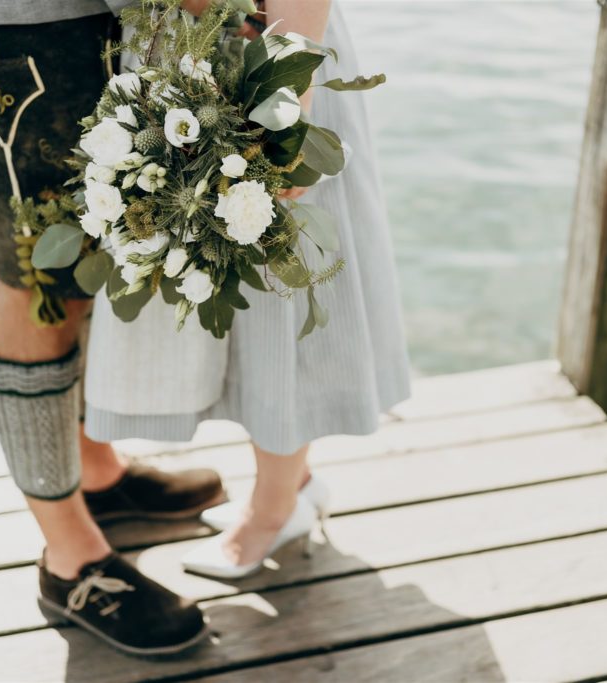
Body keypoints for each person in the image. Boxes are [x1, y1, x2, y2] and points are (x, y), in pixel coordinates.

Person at [0, 0, 253, 657]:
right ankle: (70, 559)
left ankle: (95, 471)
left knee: (100, 247)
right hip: (4, 19)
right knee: (36, 275)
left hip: (71, 12)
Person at [83, 0, 413, 579]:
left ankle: (275, 508)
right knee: (223, 293)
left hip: (265, 59)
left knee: (280, 298)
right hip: (174, 59)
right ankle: (294, 482)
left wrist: (289, 110)